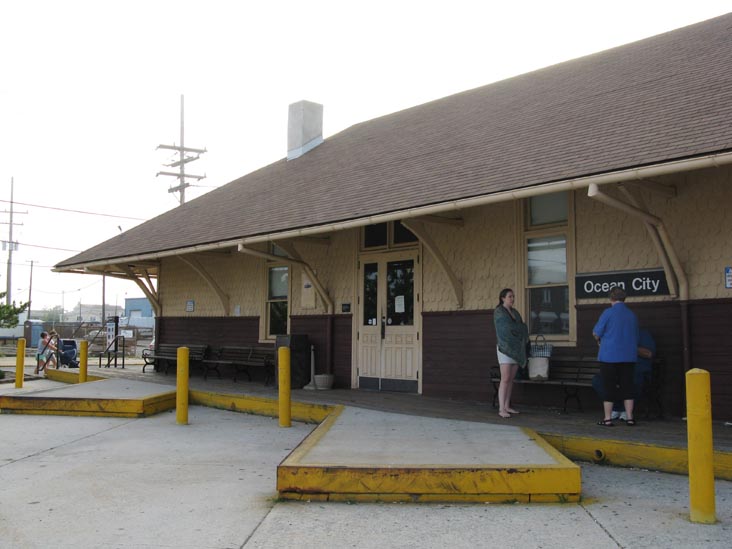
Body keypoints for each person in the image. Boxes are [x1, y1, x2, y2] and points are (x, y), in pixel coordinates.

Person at [593, 287, 639, 427]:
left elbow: (596, 333)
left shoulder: (608, 313)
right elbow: (636, 336)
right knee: (628, 387)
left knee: (609, 387)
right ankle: (630, 417)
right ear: (624, 298)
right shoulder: (631, 315)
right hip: (628, 356)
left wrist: (599, 340)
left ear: (611, 298)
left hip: (609, 356)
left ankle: (607, 419)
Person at [592, 328, 656, 419]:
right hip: (617, 369)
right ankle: (618, 408)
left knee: (634, 379)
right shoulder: (615, 335)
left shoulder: (642, 334)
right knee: (598, 380)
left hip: (637, 370)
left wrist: (627, 346)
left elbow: (648, 354)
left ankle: (624, 409)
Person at [493, 288, 529, 418]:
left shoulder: (515, 312)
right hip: (505, 348)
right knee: (505, 379)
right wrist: (517, 330)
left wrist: (519, 331)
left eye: (513, 296)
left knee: (511, 380)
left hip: (516, 349)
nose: (512, 299)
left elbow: (522, 327)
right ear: (503, 298)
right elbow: (505, 329)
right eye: (510, 296)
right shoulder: (499, 312)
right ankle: (501, 409)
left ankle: (507, 406)